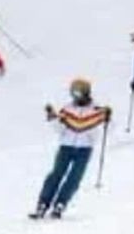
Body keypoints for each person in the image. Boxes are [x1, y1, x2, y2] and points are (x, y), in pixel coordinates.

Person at [29, 79, 110, 220]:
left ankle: (60, 204)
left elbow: (103, 129)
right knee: (56, 174)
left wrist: (107, 118)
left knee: (74, 178)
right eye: (74, 93)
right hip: (66, 146)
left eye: (79, 93)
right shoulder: (67, 109)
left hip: (84, 149)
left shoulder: (95, 110)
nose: (76, 96)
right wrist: (53, 118)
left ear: (86, 93)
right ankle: (43, 203)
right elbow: (60, 129)